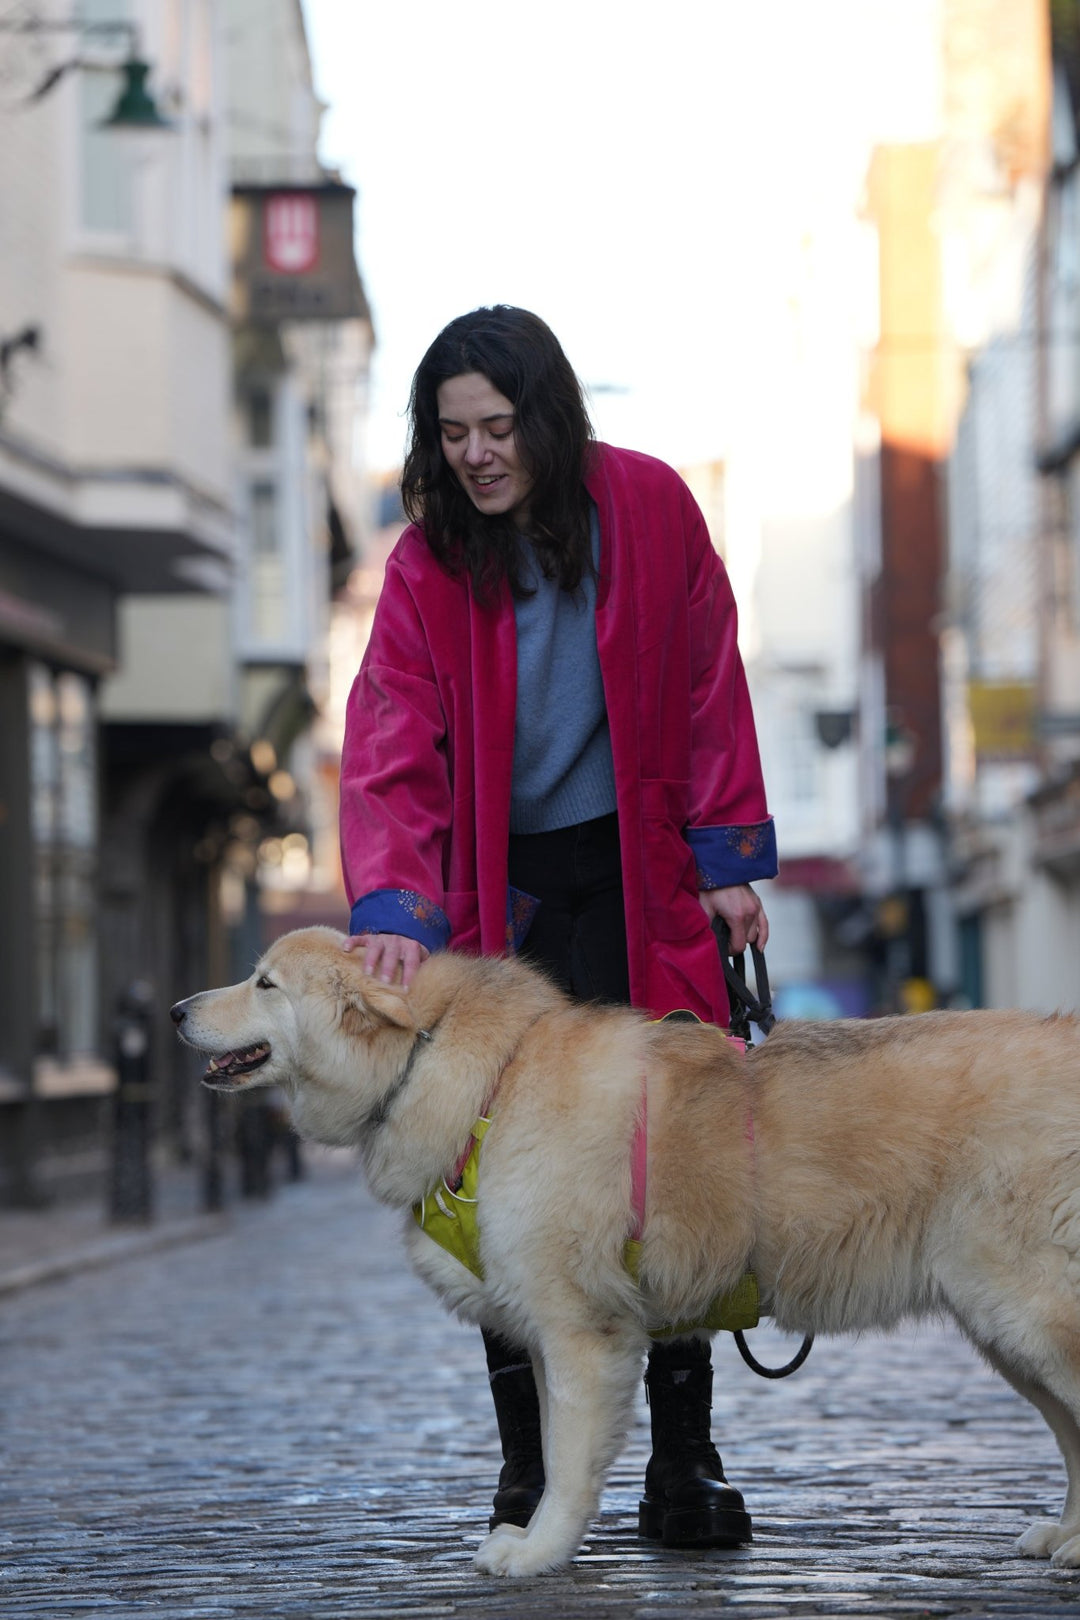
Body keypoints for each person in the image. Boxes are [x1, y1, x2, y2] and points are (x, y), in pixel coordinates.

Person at [339, 305, 777, 1548]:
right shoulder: (426, 564)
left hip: (640, 882)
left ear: (547, 419)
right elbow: (390, 744)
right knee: (497, 1172)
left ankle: (684, 1462)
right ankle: (529, 1469)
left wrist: (728, 856)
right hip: (500, 902)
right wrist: (395, 913)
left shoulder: (651, 508)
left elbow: (709, 680)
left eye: (496, 427)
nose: (476, 454)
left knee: (666, 1161)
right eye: (452, 434)